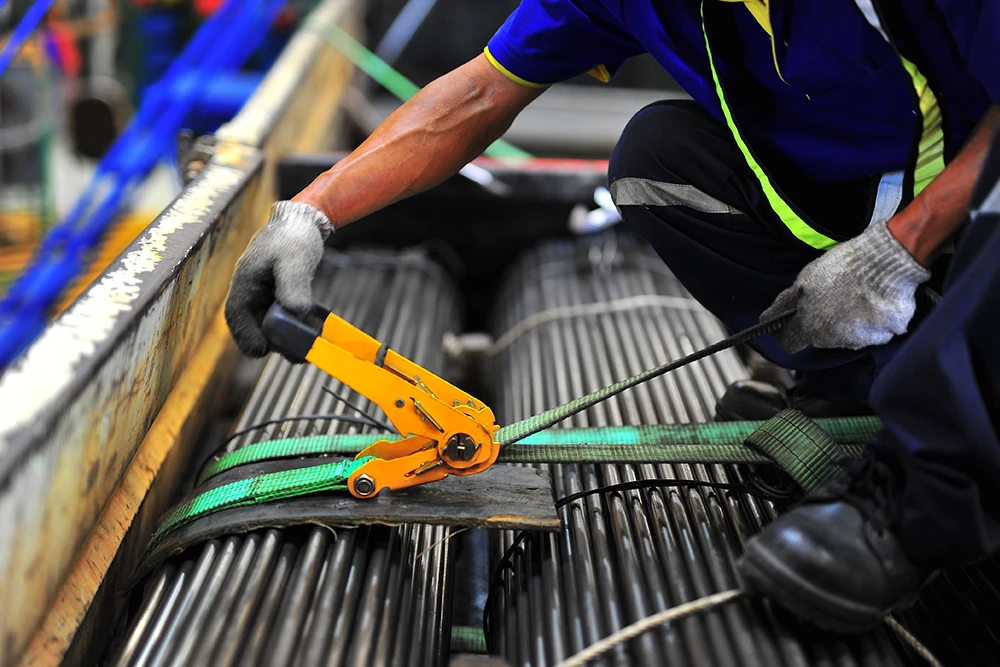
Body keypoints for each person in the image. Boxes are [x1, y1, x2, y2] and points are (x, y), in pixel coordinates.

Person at [223, 0, 1000, 630]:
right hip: (887, 197)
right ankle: (860, 388)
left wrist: (906, 244)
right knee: (660, 157)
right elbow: (482, 91)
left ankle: (924, 495)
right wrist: (311, 213)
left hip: (977, 209)